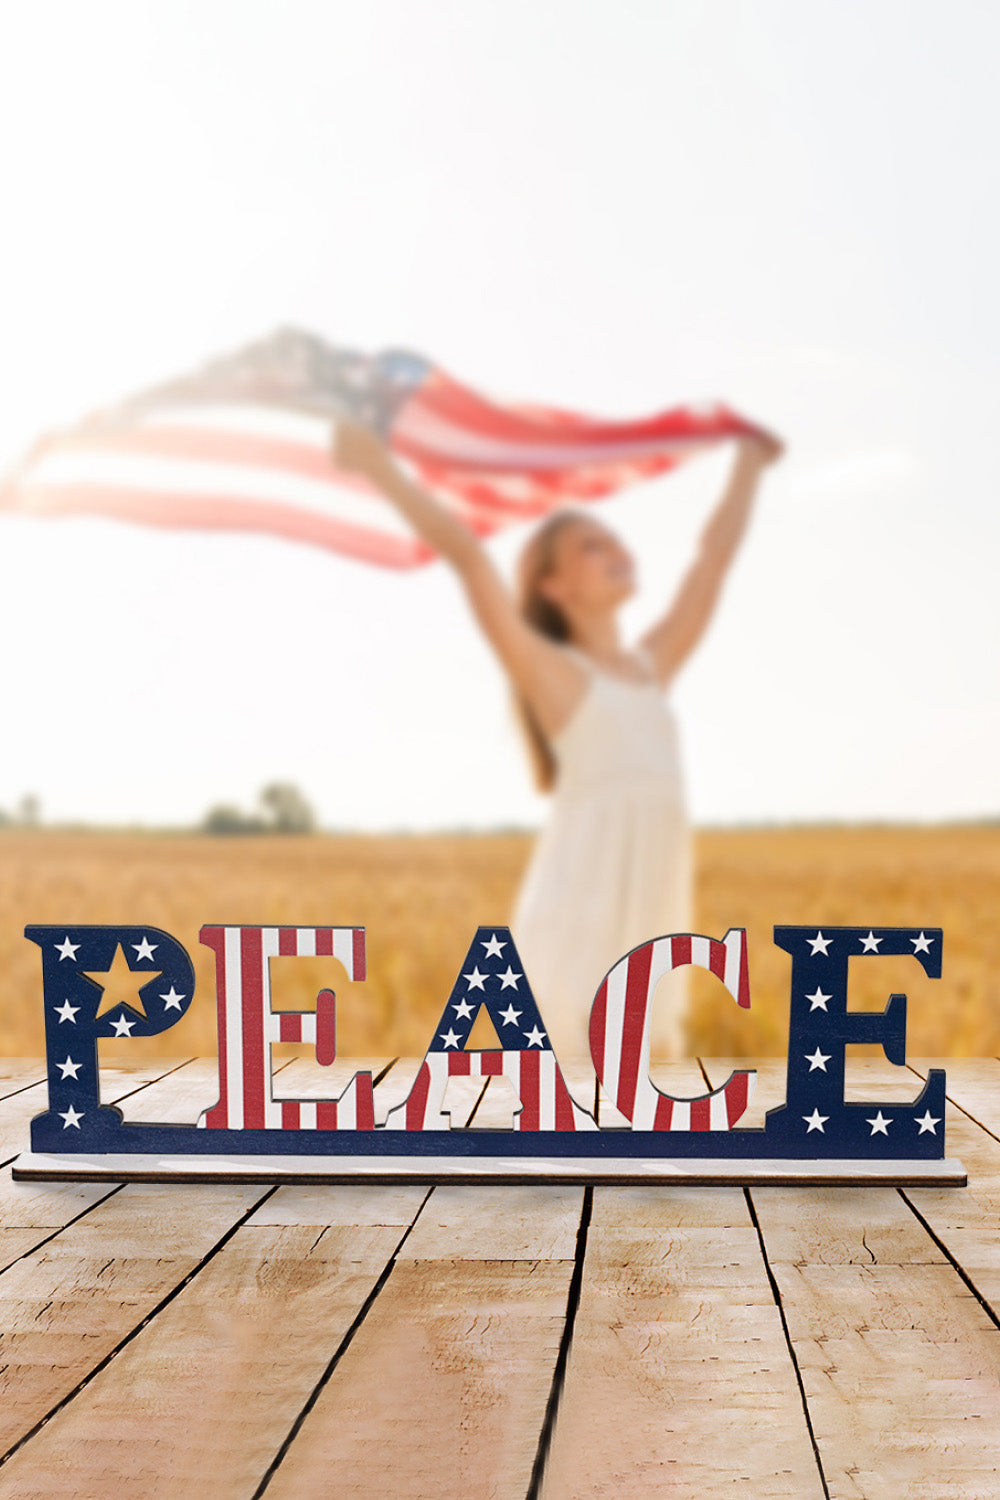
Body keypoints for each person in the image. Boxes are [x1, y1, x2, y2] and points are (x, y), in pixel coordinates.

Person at [333, 418, 783, 1061]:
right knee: (574, 1079)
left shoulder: (652, 667)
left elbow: (712, 563)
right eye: (589, 547)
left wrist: (748, 463)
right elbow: (467, 556)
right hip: (582, 917)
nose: (613, 549)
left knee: (644, 1088)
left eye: (612, 538)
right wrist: (379, 469)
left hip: (650, 915)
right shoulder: (556, 676)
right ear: (555, 587)